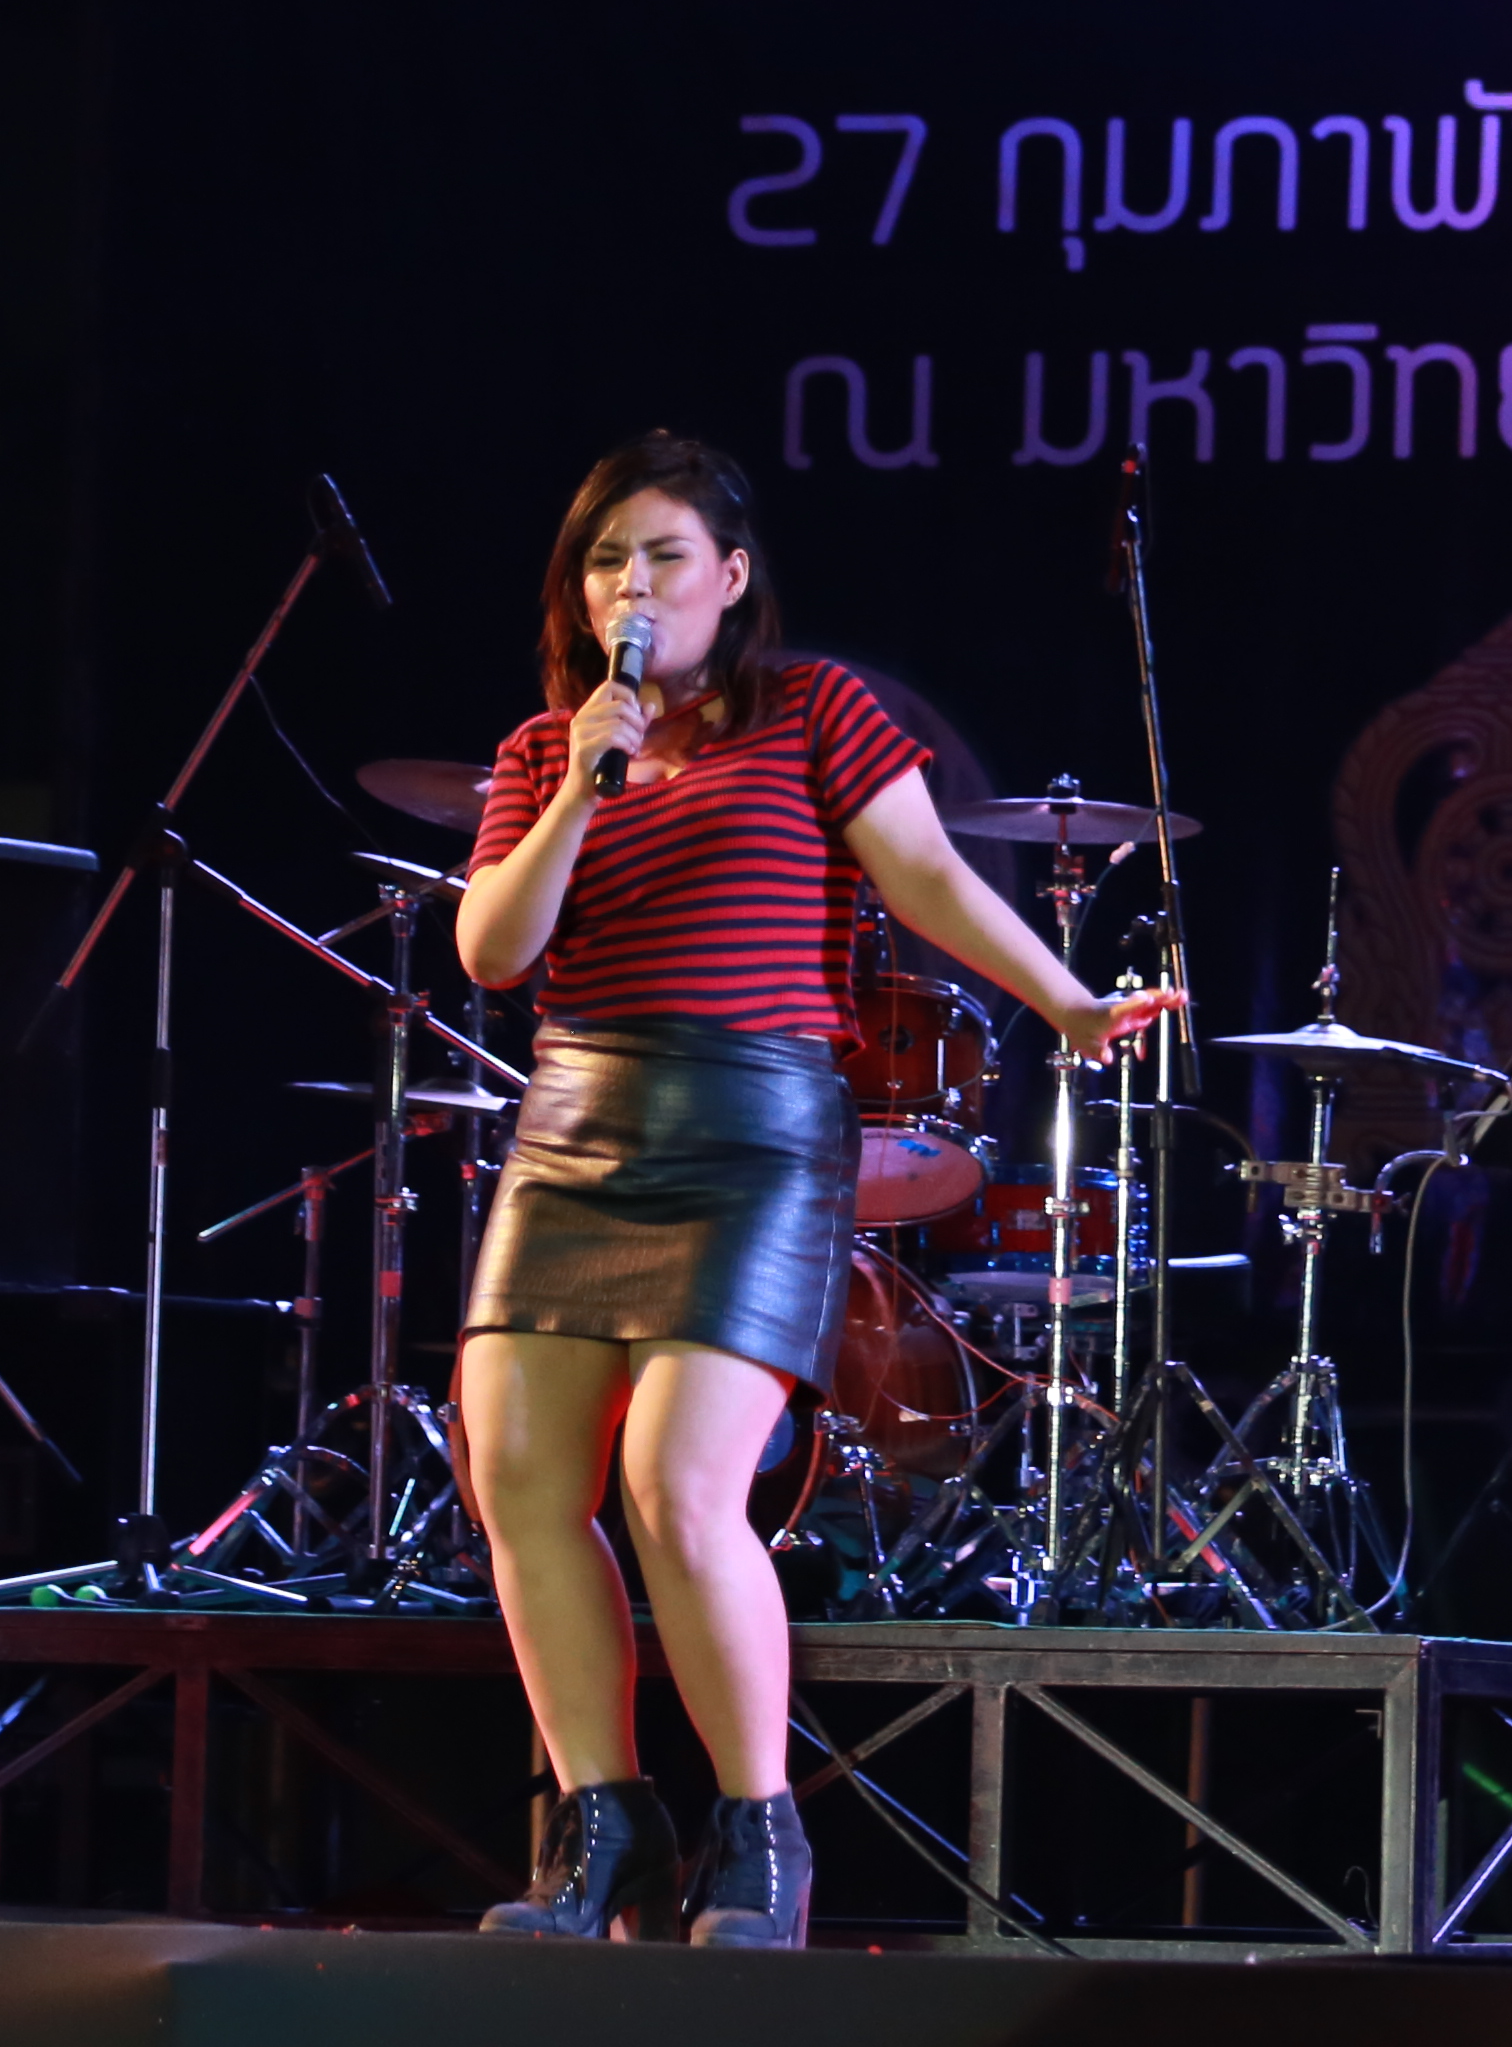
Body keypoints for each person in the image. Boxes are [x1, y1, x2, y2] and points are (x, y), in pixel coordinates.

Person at [452, 429, 1179, 1947]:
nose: (631, 584)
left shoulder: (814, 712)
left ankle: (759, 1838)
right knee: (517, 1481)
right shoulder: (542, 752)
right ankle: (603, 1830)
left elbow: (928, 878)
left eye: (662, 556)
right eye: (605, 560)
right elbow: (494, 953)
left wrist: (1067, 1004)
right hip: (577, 1124)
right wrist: (584, 779)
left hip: (754, 1128)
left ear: (730, 576)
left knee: (678, 1484)